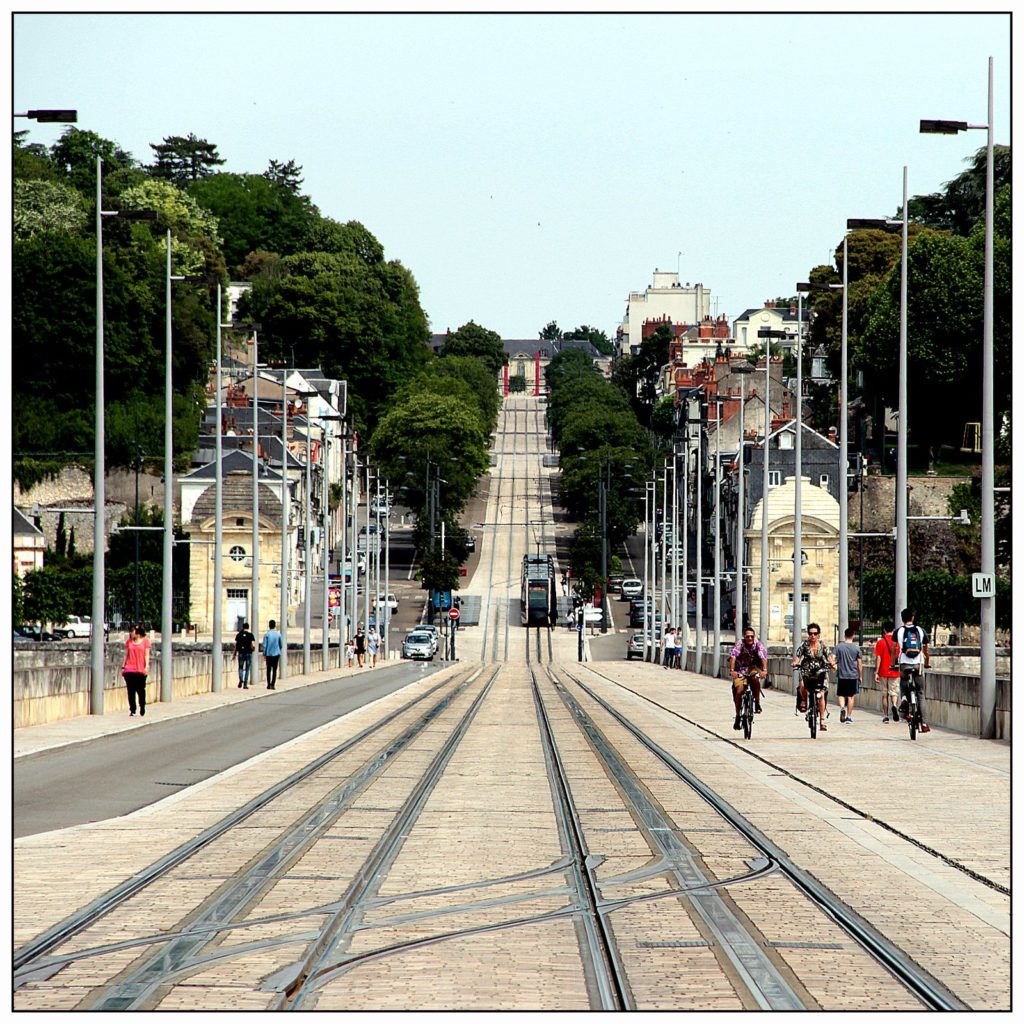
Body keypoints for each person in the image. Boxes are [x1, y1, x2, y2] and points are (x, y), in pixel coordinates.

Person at [791, 623, 836, 730]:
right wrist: (795, 663)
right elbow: (797, 657)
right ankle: (803, 700)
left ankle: (822, 720)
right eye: (811, 633)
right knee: (802, 685)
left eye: (815, 633)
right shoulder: (804, 646)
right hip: (807, 672)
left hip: (820, 673)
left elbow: (829, 657)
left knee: (821, 694)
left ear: (818, 635)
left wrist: (833, 665)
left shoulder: (823, 646)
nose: (813, 636)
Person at [894, 608, 931, 733]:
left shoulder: (899, 631)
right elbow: (926, 650)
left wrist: (892, 663)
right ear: (913, 618)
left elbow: (895, 649)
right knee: (920, 693)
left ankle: (904, 698)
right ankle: (924, 723)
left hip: (904, 662)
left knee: (903, 680)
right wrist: (926, 663)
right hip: (918, 663)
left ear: (902, 618)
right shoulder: (920, 631)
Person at [729, 627, 767, 730]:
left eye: (752, 636)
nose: (750, 638)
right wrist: (732, 670)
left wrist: (764, 670)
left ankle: (757, 702)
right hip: (740, 669)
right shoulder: (740, 644)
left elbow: (763, 657)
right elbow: (733, 656)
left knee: (755, 679)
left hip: (753, 668)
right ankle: (738, 715)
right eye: (747, 636)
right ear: (744, 637)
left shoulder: (757, 644)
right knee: (739, 690)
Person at [873, 624, 902, 723]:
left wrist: (876, 672)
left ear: (884, 630)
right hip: (894, 671)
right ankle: (894, 705)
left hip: (883, 671)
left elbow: (878, 658)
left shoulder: (880, 642)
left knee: (884, 695)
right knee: (894, 693)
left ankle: (885, 716)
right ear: (893, 630)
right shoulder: (897, 642)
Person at [834, 627, 863, 723]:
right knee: (851, 696)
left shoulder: (839, 647)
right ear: (853, 636)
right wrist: (860, 676)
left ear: (844, 635)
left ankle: (842, 708)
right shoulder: (856, 648)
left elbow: (833, 659)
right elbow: (859, 664)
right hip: (853, 675)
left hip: (842, 674)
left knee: (841, 694)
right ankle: (849, 717)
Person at [122, 624, 151, 717]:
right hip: (129, 669)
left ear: (138, 633)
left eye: (132, 631)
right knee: (131, 690)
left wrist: (146, 666)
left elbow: (146, 654)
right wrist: (123, 666)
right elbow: (126, 654)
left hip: (140, 669)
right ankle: (132, 709)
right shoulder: (129, 642)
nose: (131, 633)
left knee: (140, 690)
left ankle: (142, 706)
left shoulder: (145, 641)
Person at [262, 618, 283, 689]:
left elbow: (264, 645)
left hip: (268, 654)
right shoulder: (278, 634)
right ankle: (273, 684)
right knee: (274, 669)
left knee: (268, 669)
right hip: (276, 654)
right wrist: (278, 649)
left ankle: (268, 684)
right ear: (275, 626)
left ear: (269, 626)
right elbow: (281, 644)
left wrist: (264, 653)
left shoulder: (267, 634)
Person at [234, 621, 256, 689]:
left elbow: (236, 645)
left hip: (241, 653)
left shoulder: (239, 635)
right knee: (247, 669)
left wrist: (234, 654)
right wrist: (253, 649)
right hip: (248, 653)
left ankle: (241, 679)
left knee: (240, 667)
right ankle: (245, 684)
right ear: (248, 627)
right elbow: (253, 644)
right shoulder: (251, 635)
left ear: (243, 627)